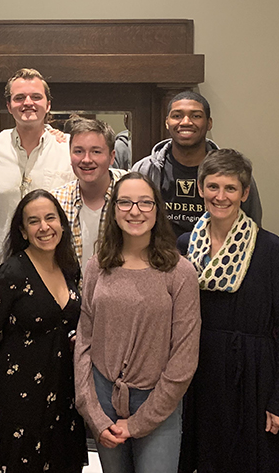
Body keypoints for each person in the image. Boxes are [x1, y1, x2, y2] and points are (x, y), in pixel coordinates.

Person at [177, 149, 279, 473]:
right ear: (201, 188)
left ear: (244, 193)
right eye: (213, 187)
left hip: (254, 375)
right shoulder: (184, 246)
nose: (221, 196)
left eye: (230, 188)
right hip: (199, 373)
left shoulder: (269, 247)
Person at [74, 172, 201, 473]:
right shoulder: (97, 267)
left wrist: (139, 422)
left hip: (158, 400)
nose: (135, 211)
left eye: (145, 203)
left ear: (157, 210)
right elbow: (83, 343)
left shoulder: (179, 272)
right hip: (103, 396)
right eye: (126, 202)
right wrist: (92, 410)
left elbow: (184, 357)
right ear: (114, 210)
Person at [0, 189, 87, 472]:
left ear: (62, 222)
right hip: (17, 397)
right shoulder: (11, 273)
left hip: (63, 394)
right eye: (34, 221)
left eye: (51, 218)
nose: (44, 227)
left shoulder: (70, 268)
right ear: (23, 231)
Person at [0, 68, 74, 261]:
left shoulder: (69, 149)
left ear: (48, 105)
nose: (28, 103)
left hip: (56, 267)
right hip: (1, 265)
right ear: (9, 106)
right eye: (19, 98)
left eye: (36, 97)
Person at [132, 91, 262, 237]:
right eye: (177, 116)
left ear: (209, 123)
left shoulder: (235, 171)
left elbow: (252, 226)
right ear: (167, 123)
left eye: (196, 116)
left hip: (219, 257)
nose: (186, 122)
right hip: (158, 258)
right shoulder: (144, 170)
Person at [52, 117, 126, 267]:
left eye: (96, 152)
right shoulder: (56, 201)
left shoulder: (131, 194)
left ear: (112, 157)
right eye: (78, 151)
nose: (86, 159)